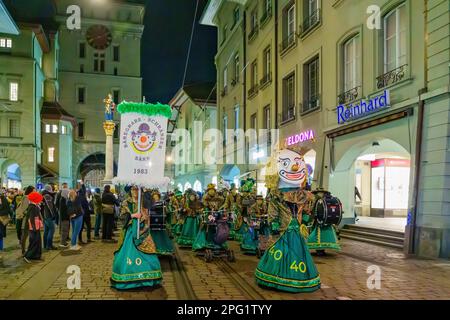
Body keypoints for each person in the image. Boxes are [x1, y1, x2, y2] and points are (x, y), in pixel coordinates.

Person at [254, 148, 321, 293]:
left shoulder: (303, 195)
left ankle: (297, 279)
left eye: (297, 163)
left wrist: (305, 220)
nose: (295, 167)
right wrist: (274, 224)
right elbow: (273, 212)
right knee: (282, 251)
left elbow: (305, 211)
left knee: (298, 252)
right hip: (283, 231)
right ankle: (277, 278)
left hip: (296, 231)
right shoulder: (277, 195)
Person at [110, 189, 162, 290]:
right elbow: (122, 217)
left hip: (143, 231)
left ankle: (147, 278)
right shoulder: (126, 202)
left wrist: (144, 216)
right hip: (130, 232)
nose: (135, 191)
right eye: (133, 189)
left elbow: (150, 212)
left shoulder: (144, 201)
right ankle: (128, 277)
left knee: (148, 255)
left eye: (137, 189)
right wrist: (133, 215)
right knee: (127, 254)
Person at [23, 192, 44, 263]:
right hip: (33, 228)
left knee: (36, 242)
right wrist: (34, 227)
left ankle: (35, 256)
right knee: (34, 242)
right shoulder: (32, 207)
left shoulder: (33, 206)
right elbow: (31, 218)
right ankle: (28, 256)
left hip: (34, 227)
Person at [17, 186, 35, 254]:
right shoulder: (27, 198)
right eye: (34, 190)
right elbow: (23, 210)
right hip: (26, 219)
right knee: (24, 235)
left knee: (28, 234)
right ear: (30, 191)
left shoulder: (30, 198)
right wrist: (29, 213)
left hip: (29, 219)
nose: (35, 192)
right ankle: (23, 250)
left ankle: (27, 249)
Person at [41, 185, 57, 250]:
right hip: (48, 216)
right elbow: (50, 206)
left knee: (46, 231)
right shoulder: (47, 196)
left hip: (44, 216)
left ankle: (45, 245)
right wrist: (53, 215)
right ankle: (49, 245)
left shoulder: (43, 195)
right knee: (52, 230)